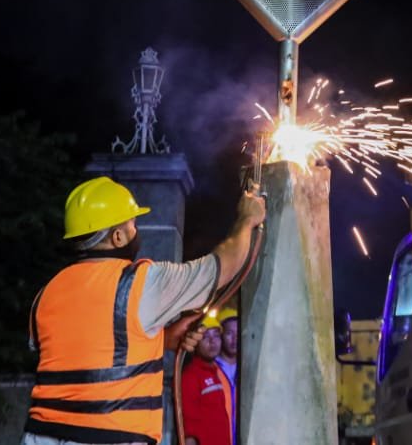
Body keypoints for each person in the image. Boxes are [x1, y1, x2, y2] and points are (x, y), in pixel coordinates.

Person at [24, 176, 265, 445]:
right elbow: (223, 266)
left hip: (39, 437)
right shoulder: (140, 281)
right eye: (132, 224)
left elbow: (86, 356)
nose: (136, 230)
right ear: (117, 237)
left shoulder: (46, 294)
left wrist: (163, 339)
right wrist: (246, 220)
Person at [178, 312, 234, 445]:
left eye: (216, 335)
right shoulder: (191, 375)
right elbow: (188, 424)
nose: (212, 341)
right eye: (205, 337)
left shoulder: (217, 373)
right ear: (195, 343)